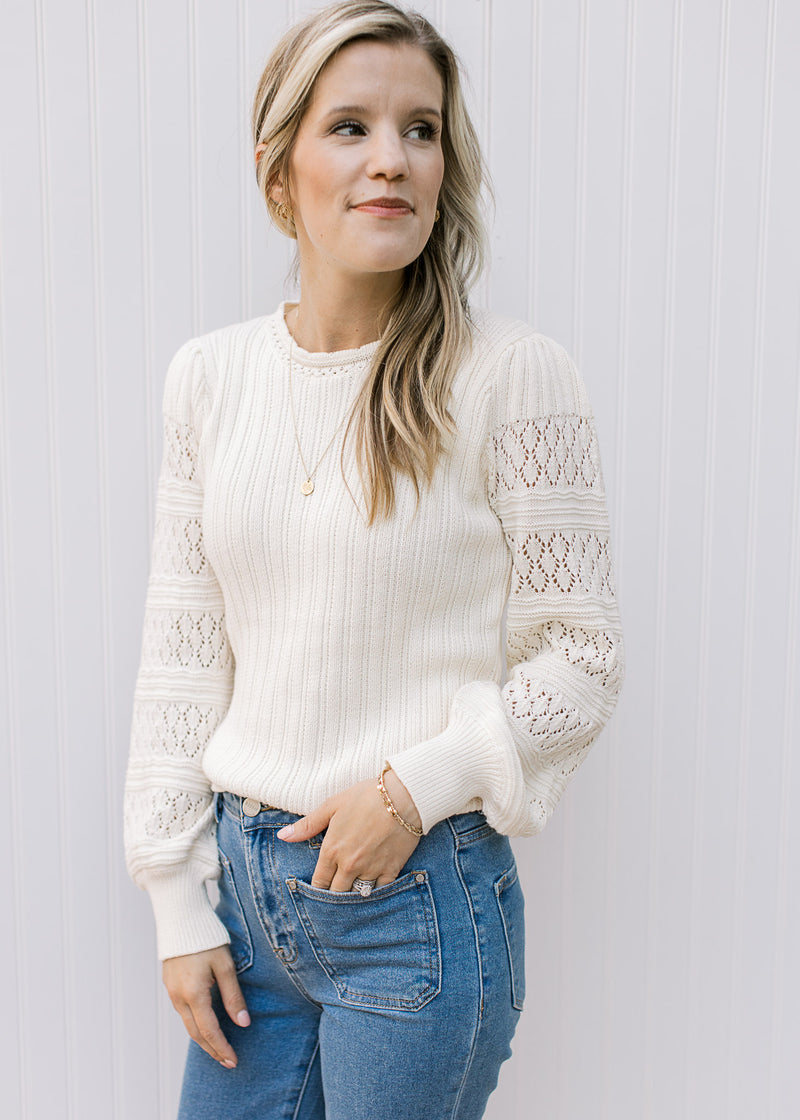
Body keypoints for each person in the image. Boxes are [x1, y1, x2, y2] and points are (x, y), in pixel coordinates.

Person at [123, 2, 624, 1117]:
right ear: (278, 168)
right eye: (349, 126)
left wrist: (413, 786)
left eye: (422, 129)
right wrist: (174, 899)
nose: (390, 160)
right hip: (244, 911)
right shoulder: (207, 378)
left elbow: (580, 657)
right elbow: (182, 646)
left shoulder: (510, 376)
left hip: (417, 905)